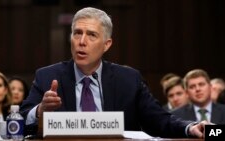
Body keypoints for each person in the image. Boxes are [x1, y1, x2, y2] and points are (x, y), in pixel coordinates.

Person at [20, 7, 208, 138]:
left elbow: (158, 119)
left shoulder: (128, 79)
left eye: (91, 35)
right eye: (77, 33)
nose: (81, 41)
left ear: (107, 44)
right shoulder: (48, 77)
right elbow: (19, 120)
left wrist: (190, 127)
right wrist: (40, 111)